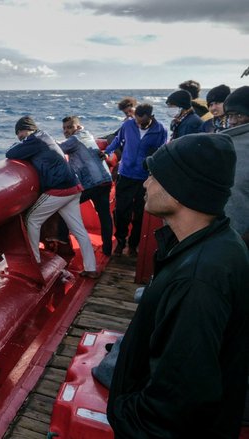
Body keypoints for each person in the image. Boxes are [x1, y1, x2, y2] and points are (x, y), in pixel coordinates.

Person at [107, 133, 249, 438]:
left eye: (154, 175)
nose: (146, 184)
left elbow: (177, 403)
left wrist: (124, 412)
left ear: (180, 190)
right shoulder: (218, 244)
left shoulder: (197, 279)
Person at [6, 116, 99, 277]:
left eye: (19, 134)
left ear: (24, 130)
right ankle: (91, 268)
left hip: (59, 189)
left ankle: (34, 262)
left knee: (31, 219)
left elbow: (11, 153)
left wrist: (19, 143)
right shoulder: (45, 137)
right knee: (79, 230)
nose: (19, 137)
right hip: (74, 187)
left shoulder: (33, 140)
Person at [104, 103, 168, 256]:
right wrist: (106, 152)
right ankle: (120, 242)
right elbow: (117, 141)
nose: (140, 125)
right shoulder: (128, 125)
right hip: (125, 174)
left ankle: (133, 245)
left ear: (151, 117)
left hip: (144, 178)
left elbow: (162, 151)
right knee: (121, 211)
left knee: (140, 214)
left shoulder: (161, 130)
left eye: (144, 123)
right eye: (137, 121)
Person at [58, 116, 114, 256]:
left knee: (64, 207)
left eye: (70, 127)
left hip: (92, 184)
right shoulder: (87, 134)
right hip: (105, 180)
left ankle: (64, 246)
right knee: (104, 215)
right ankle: (107, 250)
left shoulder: (74, 140)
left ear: (77, 127)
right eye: (64, 128)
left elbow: (57, 149)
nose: (66, 130)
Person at [223, 85, 249, 247]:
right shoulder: (226, 143)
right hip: (225, 235)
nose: (232, 122)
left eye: (239, 115)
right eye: (229, 116)